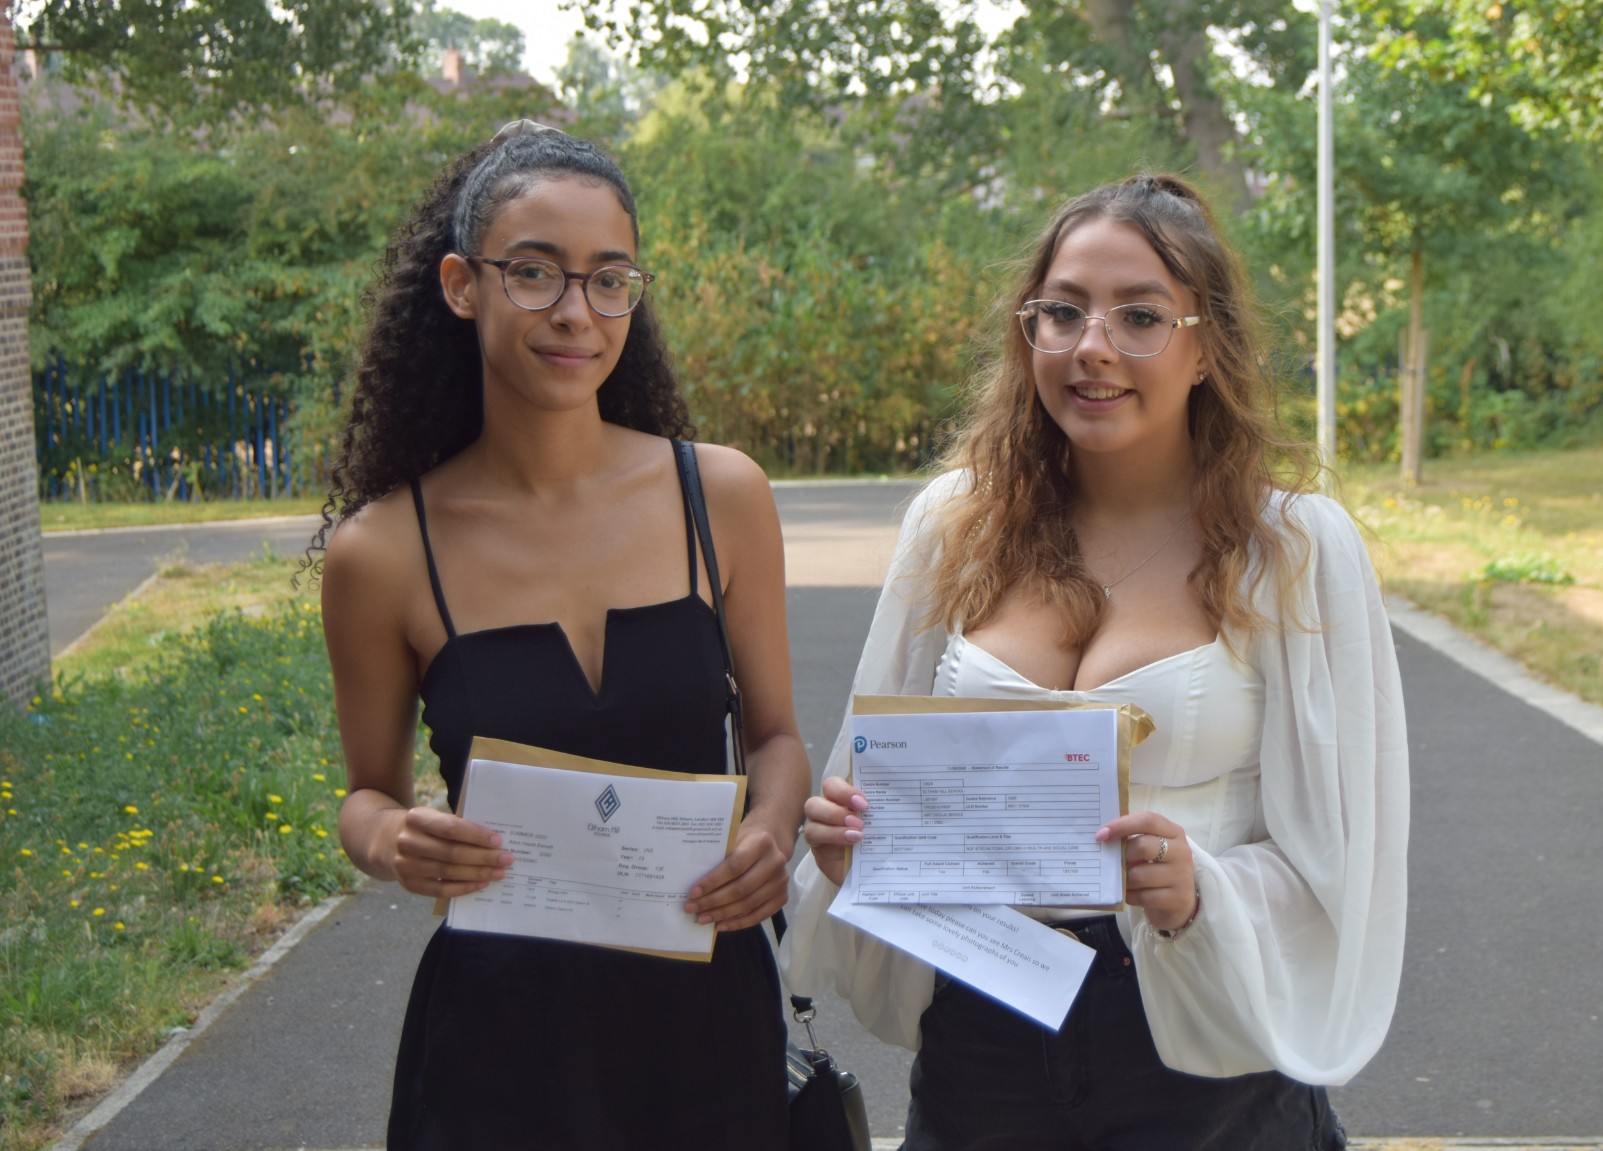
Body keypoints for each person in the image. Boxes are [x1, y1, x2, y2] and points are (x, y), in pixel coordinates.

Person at [780, 173, 1409, 1150]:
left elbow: (1345, 860)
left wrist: (1202, 888)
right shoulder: (956, 525)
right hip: (983, 1030)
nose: (1093, 347)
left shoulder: (1292, 549)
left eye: (1142, 315)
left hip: (1202, 1049)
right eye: (1062, 311)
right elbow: (875, 779)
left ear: (1207, 346)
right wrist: (848, 843)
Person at [315, 122, 807, 1149]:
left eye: (609, 278)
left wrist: (772, 828)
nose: (575, 312)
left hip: (704, 1018)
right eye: (533, 273)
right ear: (462, 284)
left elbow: (775, 738)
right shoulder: (384, 551)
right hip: (496, 1047)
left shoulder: (720, 494)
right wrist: (393, 838)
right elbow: (367, 792)